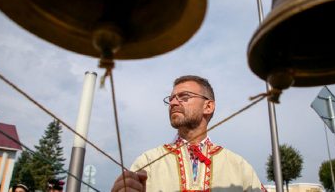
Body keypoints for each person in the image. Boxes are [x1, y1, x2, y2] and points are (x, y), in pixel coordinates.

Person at [112, 75, 263, 192]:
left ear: (208, 106)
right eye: (170, 99)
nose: (173, 103)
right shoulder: (147, 162)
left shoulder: (238, 166)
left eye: (184, 97)